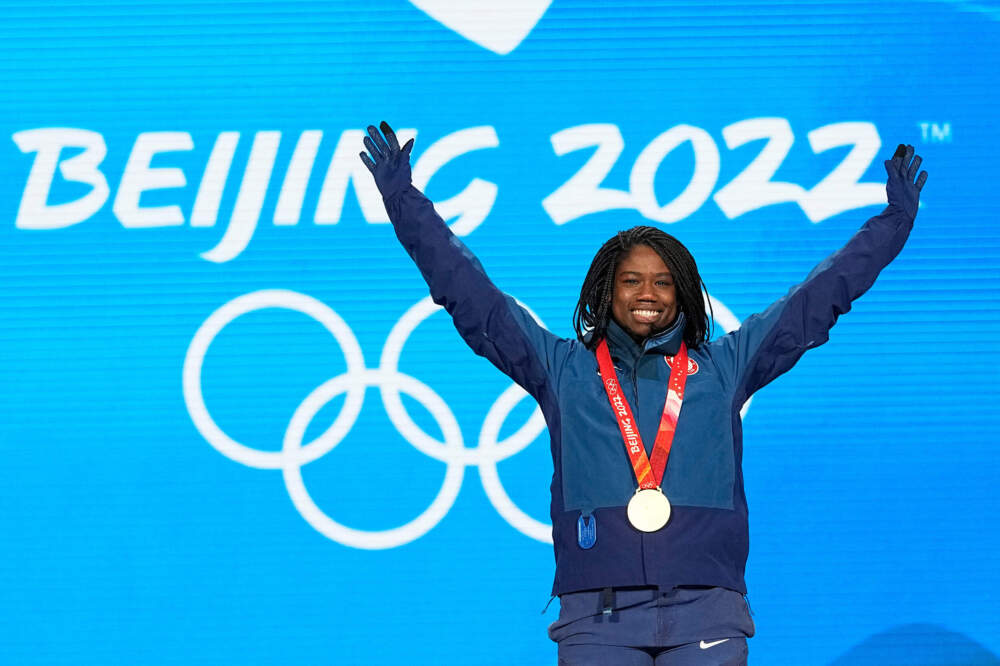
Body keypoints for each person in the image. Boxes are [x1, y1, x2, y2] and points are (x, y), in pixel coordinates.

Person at [360, 121, 927, 665]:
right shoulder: (562, 368)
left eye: (663, 281)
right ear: (606, 290)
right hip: (597, 618)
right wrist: (404, 202)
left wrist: (895, 222)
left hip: (708, 611)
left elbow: (818, 297)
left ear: (683, 295)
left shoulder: (725, 366)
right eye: (631, 280)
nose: (647, 293)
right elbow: (471, 295)